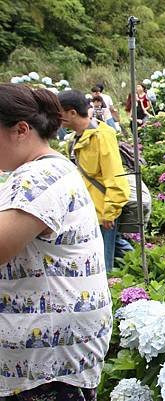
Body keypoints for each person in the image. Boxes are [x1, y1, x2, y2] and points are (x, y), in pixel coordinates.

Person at [0, 83, 110, 400]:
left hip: (46, 366)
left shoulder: (39, 177)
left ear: (21, 130)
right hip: (54, 355)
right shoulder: (47, 168)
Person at [58, 90, 130, 272]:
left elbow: (115, 176)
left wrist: (110, 212)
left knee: (102, 264)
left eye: (59, 113)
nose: (56, 118)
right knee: (116, 249)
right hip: (88, 209)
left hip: (103, 211)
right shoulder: (76, 138)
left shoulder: (101, 136)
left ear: (72, 113)